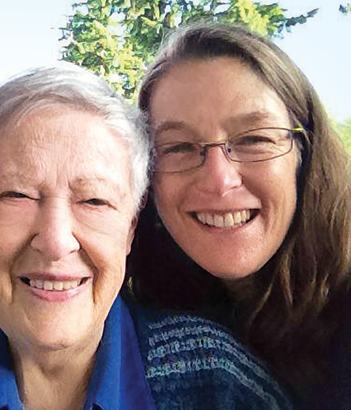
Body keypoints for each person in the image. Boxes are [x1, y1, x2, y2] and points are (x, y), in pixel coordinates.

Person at [0, 64, 291, 410]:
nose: (55, 240)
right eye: (17, 194)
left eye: (94, 202)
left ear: (130, 227)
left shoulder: (215, 378)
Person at [129, 22, 351, 407]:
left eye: (254, 139)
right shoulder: (149, 324)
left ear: (306, 155)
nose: (219, 180)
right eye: (179, 147)